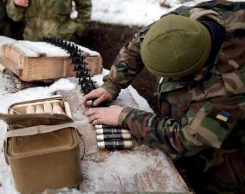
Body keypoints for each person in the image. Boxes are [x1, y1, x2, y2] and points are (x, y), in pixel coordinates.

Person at [82, 1, 245, 193]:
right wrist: (112, 84)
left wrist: (126, 116)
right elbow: (142, 41)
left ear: (195, 72)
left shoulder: (229, 87)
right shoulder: (183, 23)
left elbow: (187, 139)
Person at [6, 0, 92, 41]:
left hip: (62, 42)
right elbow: (14, 16)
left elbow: (85, 6)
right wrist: (16, 4)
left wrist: (79, 29)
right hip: (31, 42)